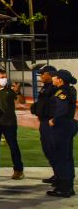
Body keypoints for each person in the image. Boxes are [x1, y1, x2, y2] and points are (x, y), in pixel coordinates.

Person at [44, 69, 76, 198]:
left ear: (60, 79)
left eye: (55, 77)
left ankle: (63, 189)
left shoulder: (62, 92)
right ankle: (68, 187)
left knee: (61, 158)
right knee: (67, 158)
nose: (53, 78)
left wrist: (54, 120)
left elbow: (62, 109)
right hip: (67, 126)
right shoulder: (68, 90)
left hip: (61, 127)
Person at [0, 68, 24, 180]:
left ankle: (18, 170)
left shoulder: (10, 90)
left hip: (9, 123)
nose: (5, 79)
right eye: (2, 77)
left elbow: (22, 101)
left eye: (5, 77)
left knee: (13, 146)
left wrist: (17, 91)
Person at [31, 65, 57, 184]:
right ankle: (57, 173)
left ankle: (60, 175)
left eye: (43, 74)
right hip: (44, 122)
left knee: (53, 149)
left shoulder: (54, 88)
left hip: (50, 123)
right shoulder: (46, 87)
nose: (40, 76)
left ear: (50, 75)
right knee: (47, 149)